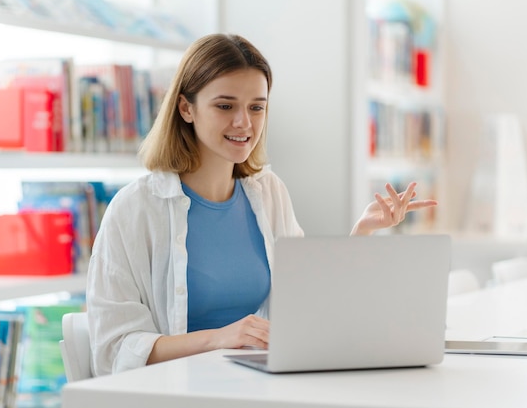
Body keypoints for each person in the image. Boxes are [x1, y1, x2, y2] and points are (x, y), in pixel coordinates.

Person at [86, 33, 438, 375]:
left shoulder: (268, 193)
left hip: (255, 388)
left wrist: (361, 234)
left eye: (257, 107)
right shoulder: (134, 210)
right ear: (186, 108)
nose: (244, 123)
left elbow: (304, 306)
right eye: (225, 106)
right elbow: (115, 346)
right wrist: (218, 340)